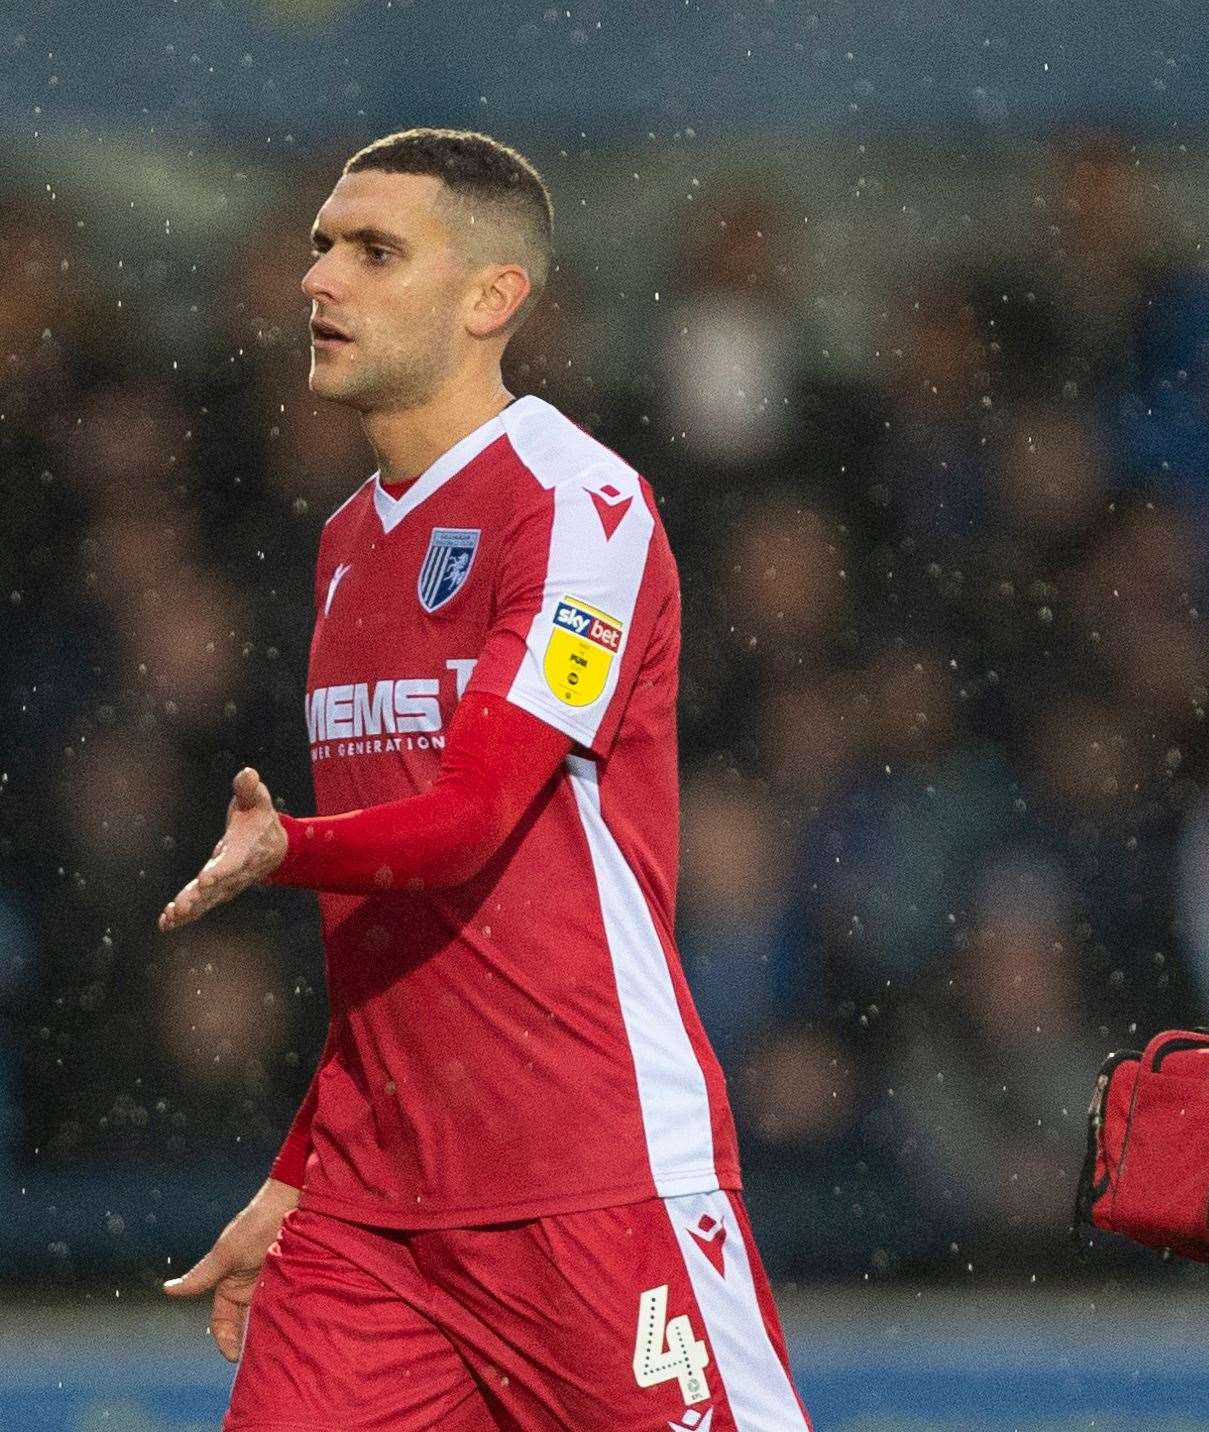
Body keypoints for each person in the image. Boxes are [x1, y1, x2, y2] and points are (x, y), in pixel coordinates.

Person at [157, 128, 810, 1431]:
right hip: (371, 1211)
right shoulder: (347, 543)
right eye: (319, 247)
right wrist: (302, 1166)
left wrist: (289, 845)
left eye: (372, 250)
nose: (318, 280)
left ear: (490, 298)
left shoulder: (578, 508)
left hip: (589, 1177)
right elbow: (387, 935)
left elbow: (464, 827)